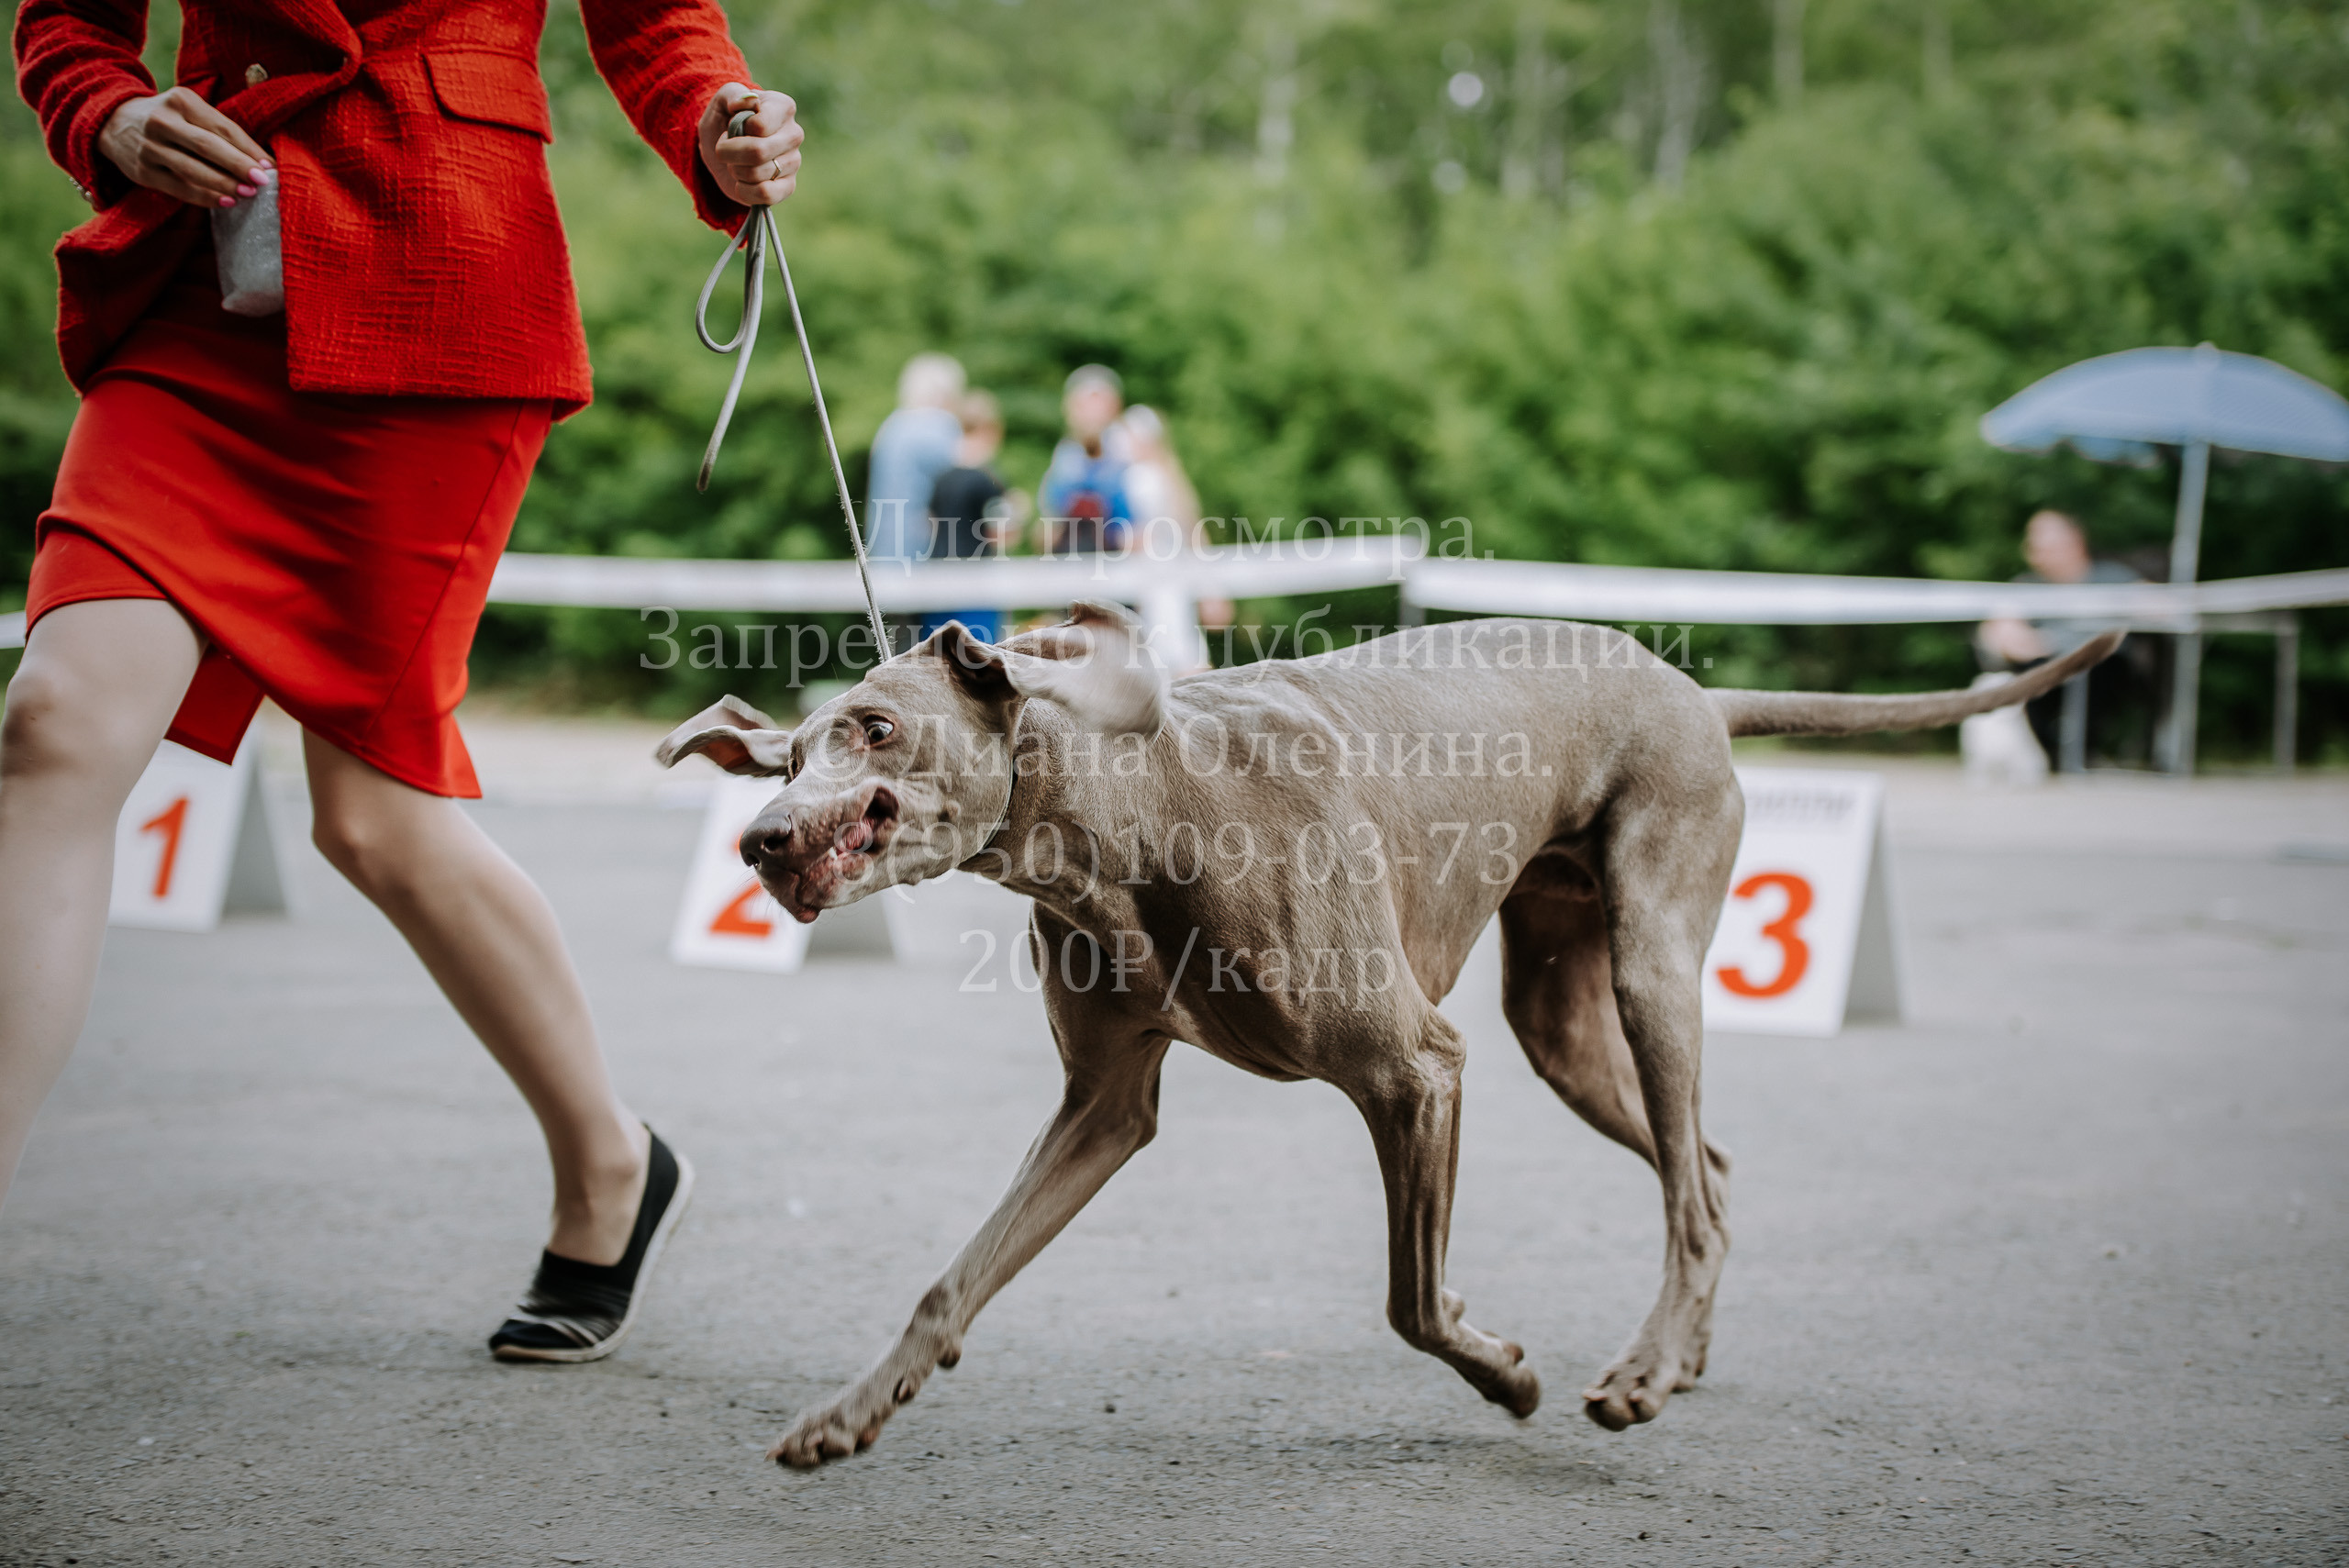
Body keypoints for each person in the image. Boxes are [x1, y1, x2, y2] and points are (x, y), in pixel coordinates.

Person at [6, 0, 799, 1363]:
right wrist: (109, 114)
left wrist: (718, 127)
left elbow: (657, 20)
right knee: (52, 725)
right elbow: (69, 21)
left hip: (444, 289)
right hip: (205, 291)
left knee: (374, 818)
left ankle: (610, 1158)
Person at [1976, 509, 2146, 766]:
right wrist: (2025, 642)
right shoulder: (2028, 585)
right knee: (2033, 675)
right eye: (2033, 544)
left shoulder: (2113, 577)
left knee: (2101, 671)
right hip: (2047, 663)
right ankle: (2051, 754)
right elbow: (1998, 630)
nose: (2035, 551)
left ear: (2075, 542)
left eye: (2045, 544)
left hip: (2104, 664)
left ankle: (2082, 752)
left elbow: (2159, 602)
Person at [1118, 404, 1229, 675]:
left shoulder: (1143, 477)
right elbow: (1193, 533)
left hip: (1160, 580)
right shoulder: (1161, 477)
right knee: (1182, 655)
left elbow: (1146, 536)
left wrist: (1211, 591)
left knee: (1177, 657)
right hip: (1165, 579)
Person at [920, 390, 1020, 645]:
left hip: (936, 581)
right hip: (977, 585)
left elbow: (928, 524)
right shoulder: (989, 480)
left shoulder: (941, 477)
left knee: (935, 663)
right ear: (991, 430)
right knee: (978, 662)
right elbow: (1004, 535)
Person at [864, 352, 965, 573]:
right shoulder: (938, 426)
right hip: (923, 556)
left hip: (884, 552)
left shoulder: (891, 427)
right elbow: (966, 480)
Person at [1038, 363, 1132, 556]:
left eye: (1099, 405)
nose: (1092, 414)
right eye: (1084, 406)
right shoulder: (1064, 459)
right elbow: (1047, 531)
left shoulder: (1132, 457)